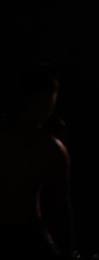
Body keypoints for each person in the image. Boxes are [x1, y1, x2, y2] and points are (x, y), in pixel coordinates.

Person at [0, 63, 72, 259]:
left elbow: (60, 206)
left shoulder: (50, 148)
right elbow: (60, 208)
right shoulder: (49, 148)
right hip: (28, 232)